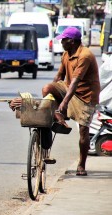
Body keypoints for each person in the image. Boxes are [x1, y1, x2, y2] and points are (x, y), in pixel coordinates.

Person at [42, 27, 100, 176]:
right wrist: (50, 98)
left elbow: (75, 81)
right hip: (68, 88)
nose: (61, 42)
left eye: (63, 40)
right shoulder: (66, 54)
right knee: (47, 88)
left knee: (83, 131)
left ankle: (81, 164)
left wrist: (65, 102)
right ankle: (57, 117)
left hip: (85, 95)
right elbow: (59, 76)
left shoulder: (85, 55)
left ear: (71, 41)